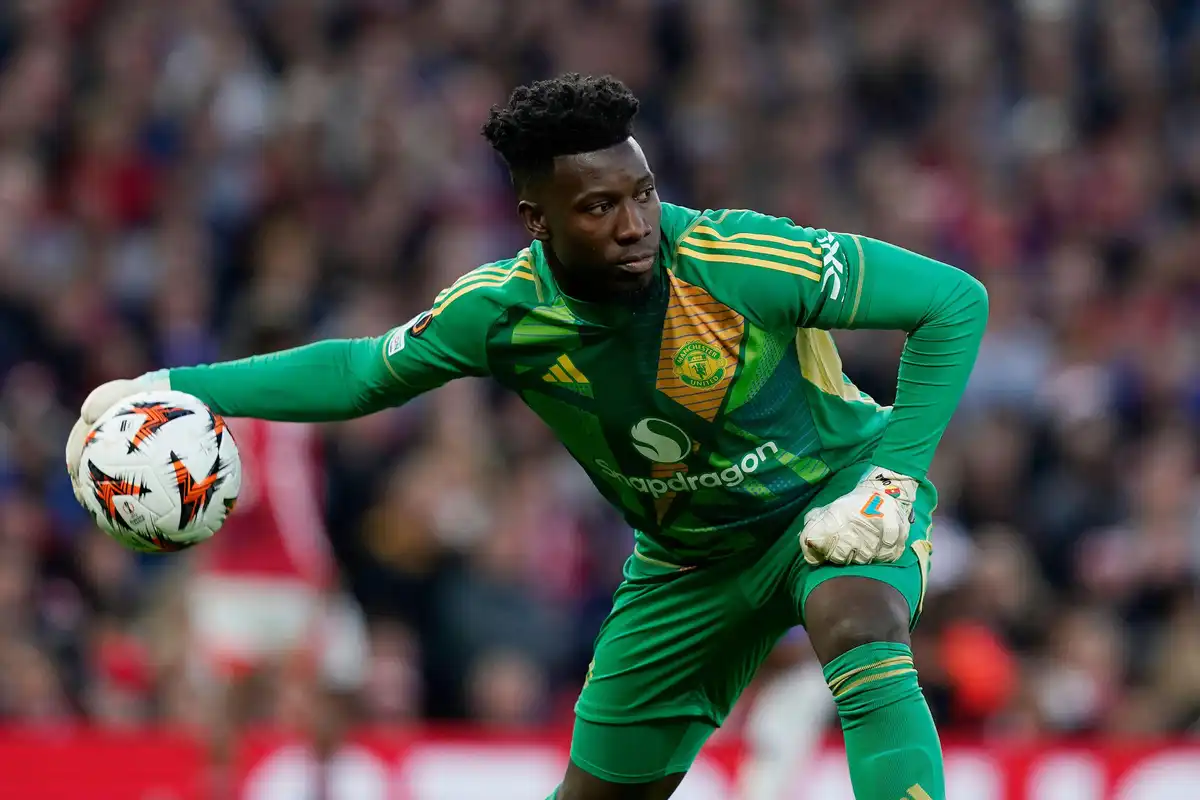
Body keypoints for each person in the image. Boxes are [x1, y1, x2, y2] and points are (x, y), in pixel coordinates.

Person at [65, 74, 987, 800]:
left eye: (644, 194)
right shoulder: (500, 312)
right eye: (599, 208)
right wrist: (167, 384)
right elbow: (360, 372)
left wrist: (894, 483)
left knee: (858, 619)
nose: (635, 226)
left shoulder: (737, 259)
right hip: (687, 561)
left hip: (839, 499)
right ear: (537, 222)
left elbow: (953, 302)